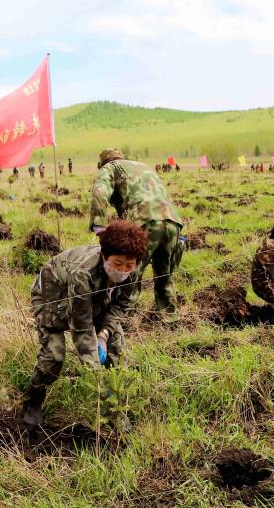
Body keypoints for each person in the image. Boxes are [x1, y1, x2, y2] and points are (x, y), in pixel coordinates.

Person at [22, 219, 146, 430]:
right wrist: (95, 372)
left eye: (129, 265)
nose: (123, 270)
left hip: (95, 297)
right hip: (53, 295)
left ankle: (116, 411)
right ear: (105, 255)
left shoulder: (133, 270)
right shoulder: (83, 272)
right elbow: (81, 327)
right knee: (53, 356)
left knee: (117, 352)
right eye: (118, 264)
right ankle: (33, 401)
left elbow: (120, 306)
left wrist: (103, 336)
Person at [90, 148, 184, 324]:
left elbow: (99, 192)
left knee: (129, 272)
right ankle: (170, 319)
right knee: (164, 274)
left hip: (144, 221)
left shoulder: (110, 167)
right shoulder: (142, 166)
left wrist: (99, 227)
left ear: (103, 163)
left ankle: (120, 321)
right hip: (172, 220)